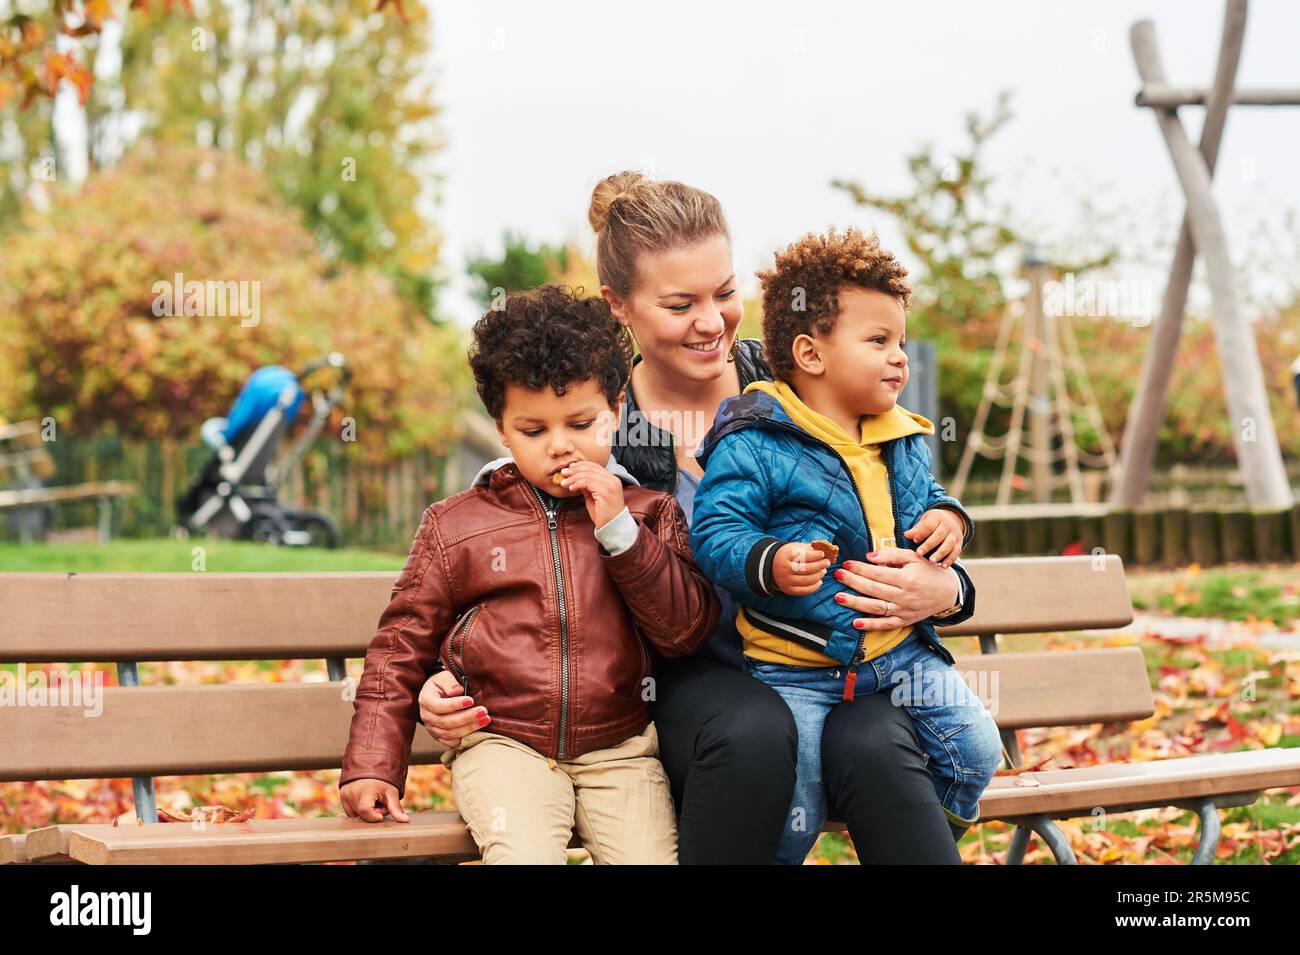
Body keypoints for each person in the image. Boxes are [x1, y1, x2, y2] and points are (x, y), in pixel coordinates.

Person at [418, 171, 977, 864]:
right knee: (754, 726)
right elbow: (496, 556)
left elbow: (918, 504)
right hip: (684, 687)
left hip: (839, 665)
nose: (711, 321)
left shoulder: (801, 379)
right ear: (617, 305)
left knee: (874, 743)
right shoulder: (596, 429)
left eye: (725, 292)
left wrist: (944, 589)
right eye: (681, 303)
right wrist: (438, 682)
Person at [339, 285, 721, 863]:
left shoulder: (649, 513)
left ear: (617, 409)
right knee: (522, 855)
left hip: (621, 749)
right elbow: (400, 647)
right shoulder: (458, 524)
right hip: (502, 742)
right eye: (534, 431)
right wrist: (373, 766)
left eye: (581, 423)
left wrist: (621, 532)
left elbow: (684, 631)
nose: (561, 447)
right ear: (501, 428)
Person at [689, 226, 1003, 864]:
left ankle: (927, 838)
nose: (900, 359)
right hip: (795, 672)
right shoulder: (756, 440)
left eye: (901, 342)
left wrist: (949, 519)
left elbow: (929, 499)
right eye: (879, 341)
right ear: (811, 354)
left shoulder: (900, 436)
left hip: (900, 659)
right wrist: (771, 562)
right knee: (794, 809)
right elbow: (716, 532)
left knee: (976, 748)